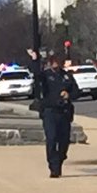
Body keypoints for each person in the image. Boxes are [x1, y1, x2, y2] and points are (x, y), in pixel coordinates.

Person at [28, 50, 80, 178]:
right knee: (51, 139)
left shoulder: (66, 76)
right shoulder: (45, 76)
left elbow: (77, 92)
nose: (55, 64)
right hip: (50, 112)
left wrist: (68, 95)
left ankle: (59, 159)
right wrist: (35, 60)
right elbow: (36, 74)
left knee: (64, 141)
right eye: (53, 62)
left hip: (64, 113)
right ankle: (54, 167)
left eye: (57, 61)